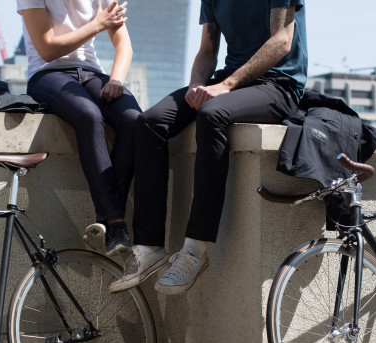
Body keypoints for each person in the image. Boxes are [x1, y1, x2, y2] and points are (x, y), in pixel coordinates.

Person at [110, 0, 307, 295]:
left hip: (278, 86)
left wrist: (225, 86)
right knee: (150, 121)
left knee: (212, 114)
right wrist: (195, 86)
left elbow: (281, 41)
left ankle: (195, 249)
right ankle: (150, 245)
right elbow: (207, 51)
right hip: (230, 83)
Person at [17, 0, 142, 257]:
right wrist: (98, 24)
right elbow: (48, 48)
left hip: (92, 73)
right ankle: (116, 222)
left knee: (134, 120)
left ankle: (104, 217)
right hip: (47, 74)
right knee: (88, 114)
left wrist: (116, 79)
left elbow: (124, 44)